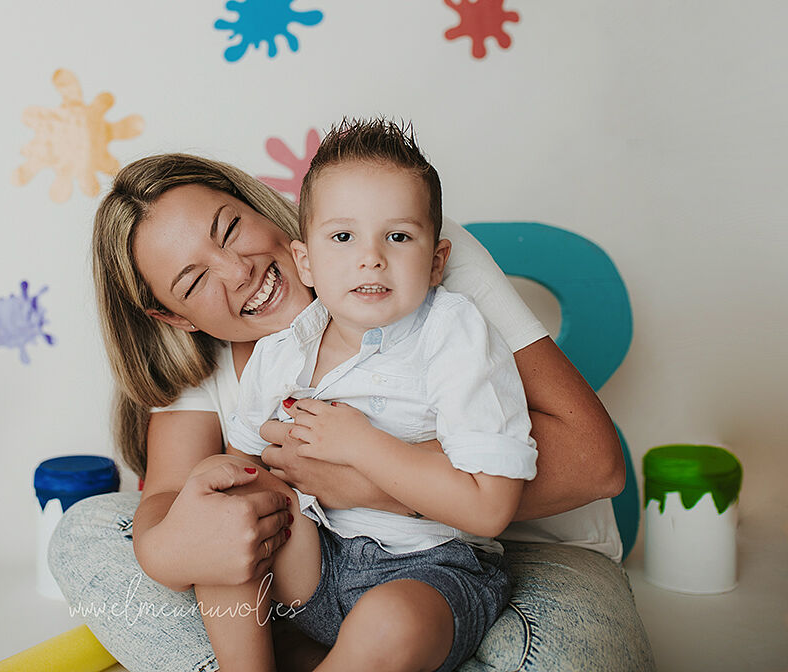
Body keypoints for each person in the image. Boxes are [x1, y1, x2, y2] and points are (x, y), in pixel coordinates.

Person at [49, 139, 655, 672]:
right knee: (88, 532)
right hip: (327, 561)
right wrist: (179, 542)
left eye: (231, 229)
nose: (236, 271)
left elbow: (596, 464)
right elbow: (173, 500)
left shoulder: (404, 257)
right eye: (194, 281)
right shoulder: (222, 351)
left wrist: (358, 476)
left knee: (548, 655)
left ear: (260, 204)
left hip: (511, 561)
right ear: (174, 316)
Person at [198, 118, 538, 672]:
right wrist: (220, 490)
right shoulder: (285, 348)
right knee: (224, 529)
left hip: (431, 568)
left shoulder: (452, 332)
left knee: (388, 623)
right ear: (305, 261)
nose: (371, 257)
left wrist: (362, 445)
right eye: (343, 236)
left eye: (398, 236)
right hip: (314, 563)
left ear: (436, 262)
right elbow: (246, 465)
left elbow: (490, 507)